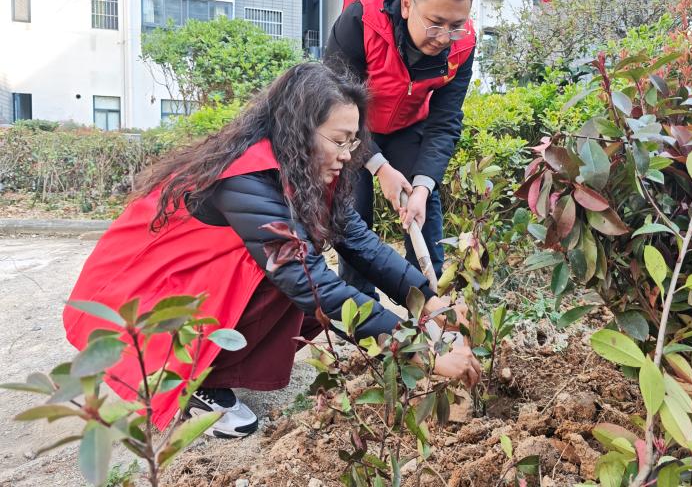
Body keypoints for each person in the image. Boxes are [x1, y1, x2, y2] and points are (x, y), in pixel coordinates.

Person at [62, 64, 480, 438]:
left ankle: (214, 367)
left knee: (287, 273)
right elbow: (308, 280)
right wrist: (420, 350)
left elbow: (359, 241)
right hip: (155, 284)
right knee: (288, 279)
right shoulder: (247, 177)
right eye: (339, 140)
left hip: (203, 276)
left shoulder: (306, 169)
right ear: (299, 127)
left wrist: (431, 303)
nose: (347, 154)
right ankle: (199, 387)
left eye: (354, 142)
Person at [324, 0, 476, 294]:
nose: (443, 38)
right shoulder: (359, 21)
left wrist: (421, 185)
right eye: (435, 23)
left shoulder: (462, 46)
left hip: (408, 128)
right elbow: (334, 107)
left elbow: (445, 121)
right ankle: (362, 315)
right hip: (353, 129)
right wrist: (379, 167)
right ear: (407, 5)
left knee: (425, 208)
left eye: (456, 26)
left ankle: (426, 304)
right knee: (352, 217)